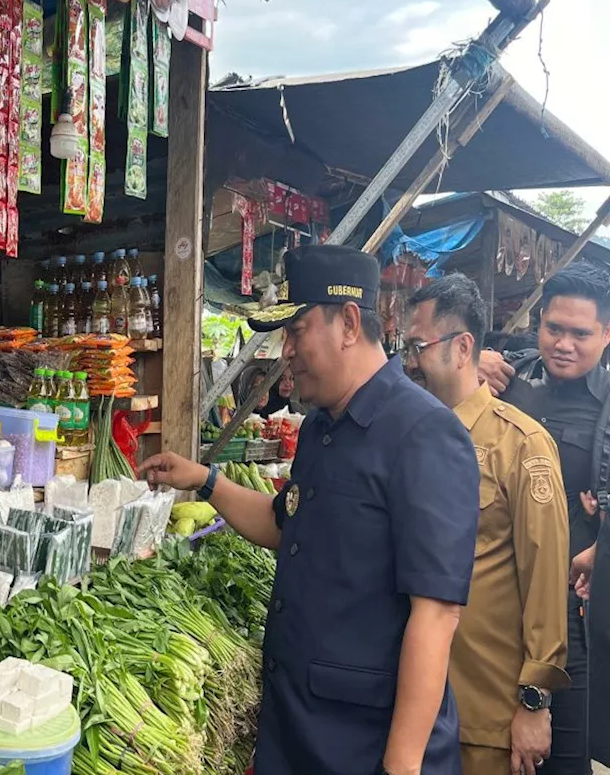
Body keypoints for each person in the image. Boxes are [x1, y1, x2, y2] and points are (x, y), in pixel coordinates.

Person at [141, 245, 480, 775]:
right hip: (300, 731)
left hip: (365, 745)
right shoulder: (324, 427)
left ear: (348, 323)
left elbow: (436, 614)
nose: (286, 351)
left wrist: (402, 764)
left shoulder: (423, 433)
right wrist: (205, 480)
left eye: (296, 332)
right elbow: (285, 525)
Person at [405, 274, 570, 775]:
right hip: (408, 705)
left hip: (485, 715)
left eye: (417, 346)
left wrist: (534, 704)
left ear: (462, 348)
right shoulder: (405, 436)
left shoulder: (520, 445)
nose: (408, 362)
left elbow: (545, 581)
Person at [478, 262, 610, 772]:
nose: (564, 344)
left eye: (581, 334)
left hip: (568, 626)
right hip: (492, 613)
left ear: (605, 335)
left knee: (563, 761)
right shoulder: (505, 381)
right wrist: (472, 359)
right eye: (554, 328)